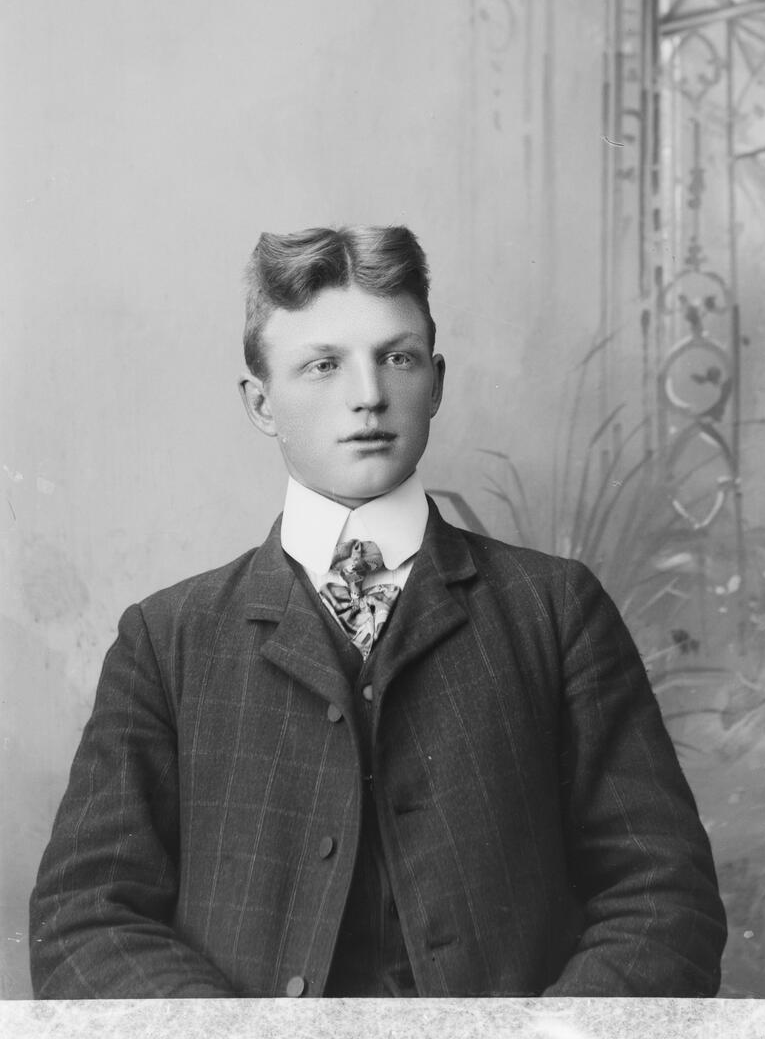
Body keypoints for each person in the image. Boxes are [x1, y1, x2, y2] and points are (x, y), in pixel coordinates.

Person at [29, 225, 727, 999]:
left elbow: (664, 899)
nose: (367, 394)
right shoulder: (168, 641)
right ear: (262, 403)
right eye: (323, 365)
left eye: (397, 358)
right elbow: (84, 920)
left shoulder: (554, 610)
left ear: (436, 382)